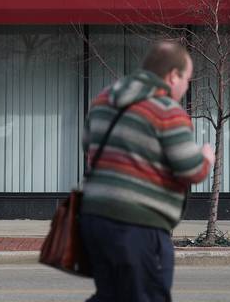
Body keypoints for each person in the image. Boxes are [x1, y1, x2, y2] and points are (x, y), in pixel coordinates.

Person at [79, 40, 213, 302]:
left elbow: (88, 147)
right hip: (139, 225)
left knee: (111, 295)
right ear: (173, 76)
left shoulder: (103, 99)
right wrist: (206, 157)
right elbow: (190, 170)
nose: (186, 86)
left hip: (94, 221)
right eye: (187, 78)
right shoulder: (167, 111)